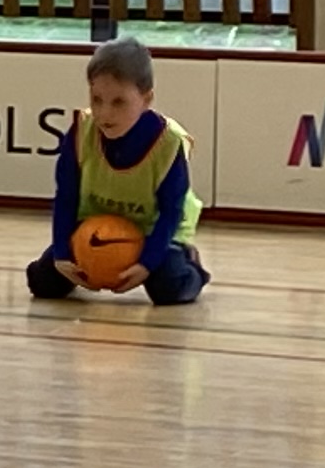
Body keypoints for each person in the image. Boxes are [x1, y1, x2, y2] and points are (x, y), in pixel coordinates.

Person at [29, 35, 208, 308]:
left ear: (146, 99)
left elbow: (171, 212)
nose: (104, 113)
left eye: (118, 102)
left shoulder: (169, 142)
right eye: (96, 99)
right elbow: (66, 197)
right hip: (95, 229)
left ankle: (192, 265)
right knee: (43, 282)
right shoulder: (80, 132)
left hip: (151, 232)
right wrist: (63, 254)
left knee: (168, 288)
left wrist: (147, 263)